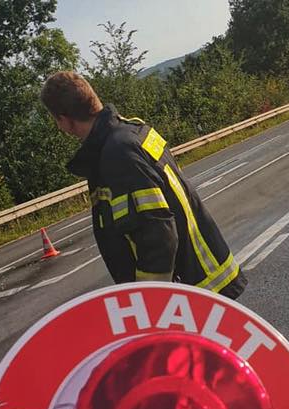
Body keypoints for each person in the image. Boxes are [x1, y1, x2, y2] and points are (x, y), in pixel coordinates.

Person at [40, 71, 246, 299]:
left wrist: (149, 300)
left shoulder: (117, 154)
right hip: (204, 272)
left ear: (63, 119)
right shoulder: (136, 130)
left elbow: (158, 233)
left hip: (190, 290)